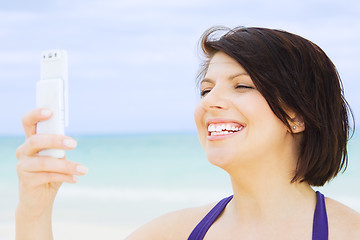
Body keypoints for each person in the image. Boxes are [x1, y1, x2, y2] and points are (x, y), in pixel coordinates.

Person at [15, 26, 360, 239]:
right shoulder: (170, 233)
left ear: (297, 115)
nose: (211, 102)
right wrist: (34, 210)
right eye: (206, 90)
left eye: (241, 86)